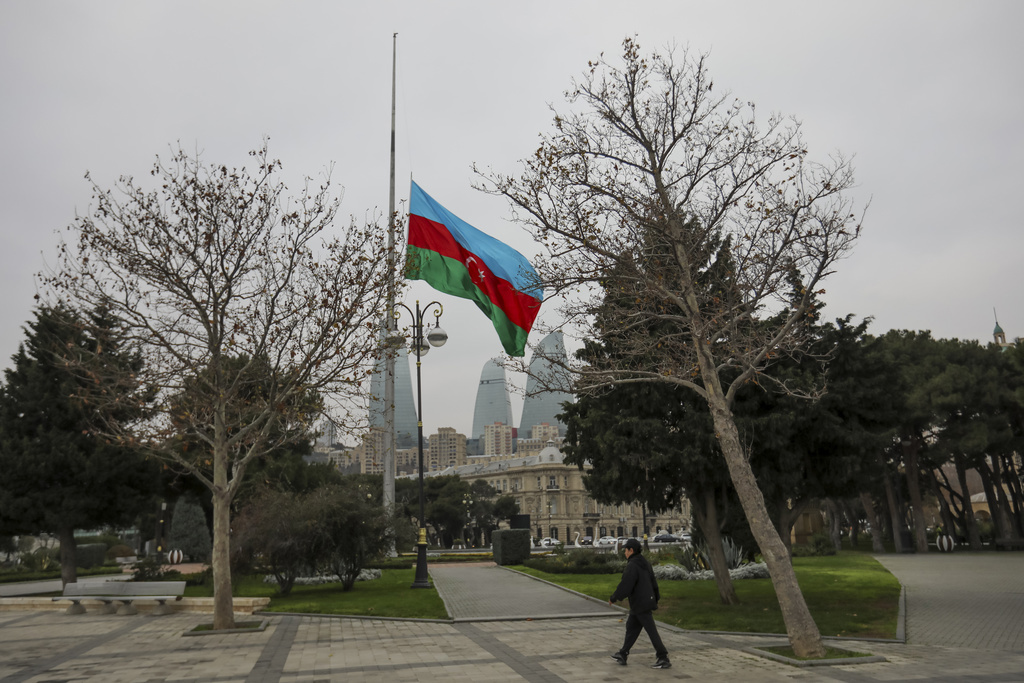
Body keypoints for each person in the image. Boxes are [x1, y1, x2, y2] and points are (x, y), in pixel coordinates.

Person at [608, 538, 671, 669]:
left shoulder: (633, 565)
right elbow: (653, 582)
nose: (624, 552)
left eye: (626, 550)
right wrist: (655, 597)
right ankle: (623, 653)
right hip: (643, 602)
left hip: (641, 603)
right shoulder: (644, 562)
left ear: (631, 550)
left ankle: (663, 657)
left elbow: (626, 585)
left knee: (651, 631)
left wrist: (614, 598)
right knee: (631, 627)